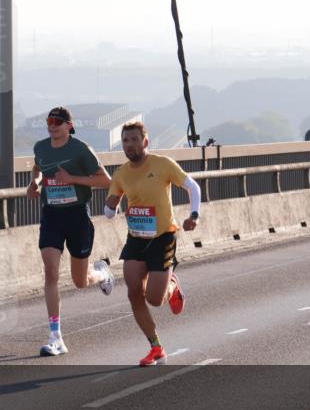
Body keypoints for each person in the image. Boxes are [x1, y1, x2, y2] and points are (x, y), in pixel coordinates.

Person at [104, 122, 201, 366]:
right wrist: (112, 204)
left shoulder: (162, 164)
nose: (130, 145)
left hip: (162, 238)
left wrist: (194, 215)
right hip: (136, 238)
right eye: (125, 141)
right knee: (133, 292)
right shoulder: (121, 174)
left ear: (145, 142)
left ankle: (172, 285)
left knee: (154, 299)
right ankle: (155, 346)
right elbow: (108, 212)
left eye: (135, 140)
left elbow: (193, 187)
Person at [27, 106, 115, 357]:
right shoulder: (40, 147)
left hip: (77, 216)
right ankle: (56, 337)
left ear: (69, 126)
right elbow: (38, 168)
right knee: (50, 271)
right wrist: (35, 183)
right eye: (49, 121)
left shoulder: (81, 149)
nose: (52, 125)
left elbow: (106, 181)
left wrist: (72, 179)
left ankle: (101, 274)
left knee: (80, 281)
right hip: (52, 215)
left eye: (57, 121)